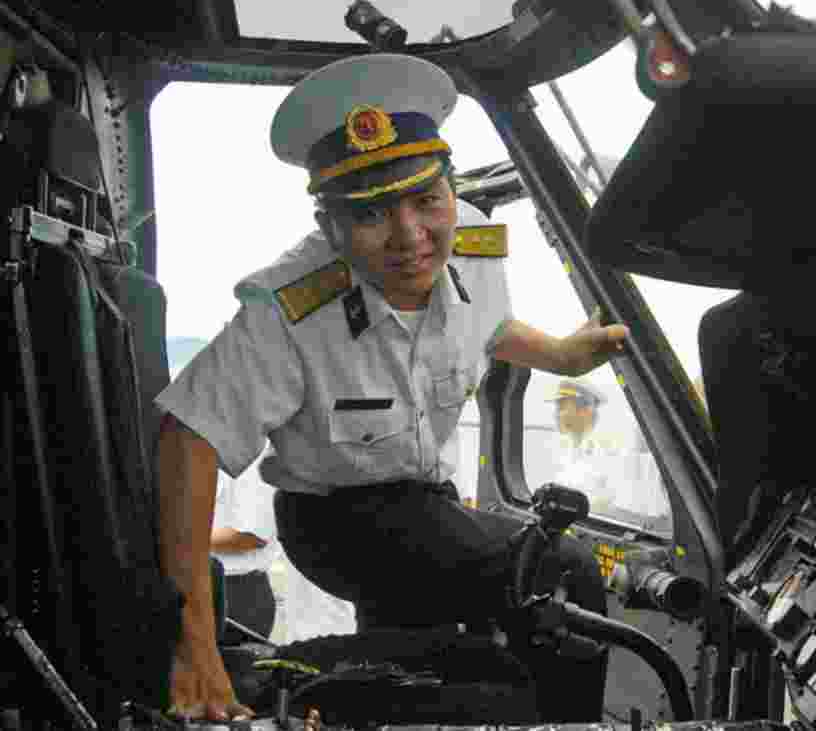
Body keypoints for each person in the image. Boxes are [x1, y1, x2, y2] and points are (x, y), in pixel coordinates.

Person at [155, 53, 629, 723]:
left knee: (441, 669)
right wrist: (192, 644)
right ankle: (255, 676)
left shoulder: (472, 250)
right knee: (562, 569)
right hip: (332, 516)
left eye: (426, 200)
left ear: (449, 191)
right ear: (331, 228)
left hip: (423, 500)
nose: (412, 236)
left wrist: (558, 353)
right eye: (373, 213)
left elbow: (483, 328)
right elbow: (189, 434)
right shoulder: (288, 309)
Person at [210, 463, 280, 644]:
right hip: (211, 584)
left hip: (237, 593)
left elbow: (248, 538)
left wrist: (177, 539)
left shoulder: (251, 462)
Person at [547, 379, 615, 510]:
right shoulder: (563, 450)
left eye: (561, 407)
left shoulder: (606, 454)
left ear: (584, 411)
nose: (555, 414)